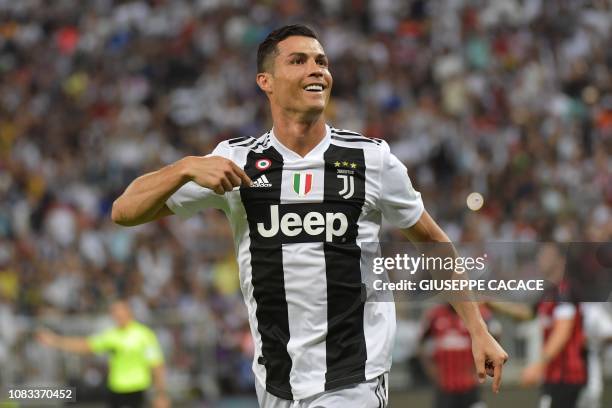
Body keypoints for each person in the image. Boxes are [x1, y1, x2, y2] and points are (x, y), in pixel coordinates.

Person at [111, 24, 507, 407]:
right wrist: (183, 167)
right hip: (276, 379)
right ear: (265, 81)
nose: (317, 69)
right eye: (298, 61)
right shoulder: (235, 161)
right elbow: (124, 212)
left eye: (321, 61)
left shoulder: (370, 159)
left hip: (354, 376)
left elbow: (433, 242)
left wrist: (477, 327)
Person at [37, 300, 169, 408]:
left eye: (119, 311)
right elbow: (85, 346)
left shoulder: (144, 335)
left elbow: (156, 364)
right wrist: (56, 341)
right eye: (113, 312)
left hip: (137, 389)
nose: (116, 315)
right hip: (116, 389)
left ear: (128, 312)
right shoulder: (111, 336)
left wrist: (161, 394)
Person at [419, 304, 498, 408]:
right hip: (445, 388)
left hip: (471, 387)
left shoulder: (477, 315)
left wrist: (483, 367)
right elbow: (421, 343)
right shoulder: (434, 315)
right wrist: (430, 368)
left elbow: (493, 339)